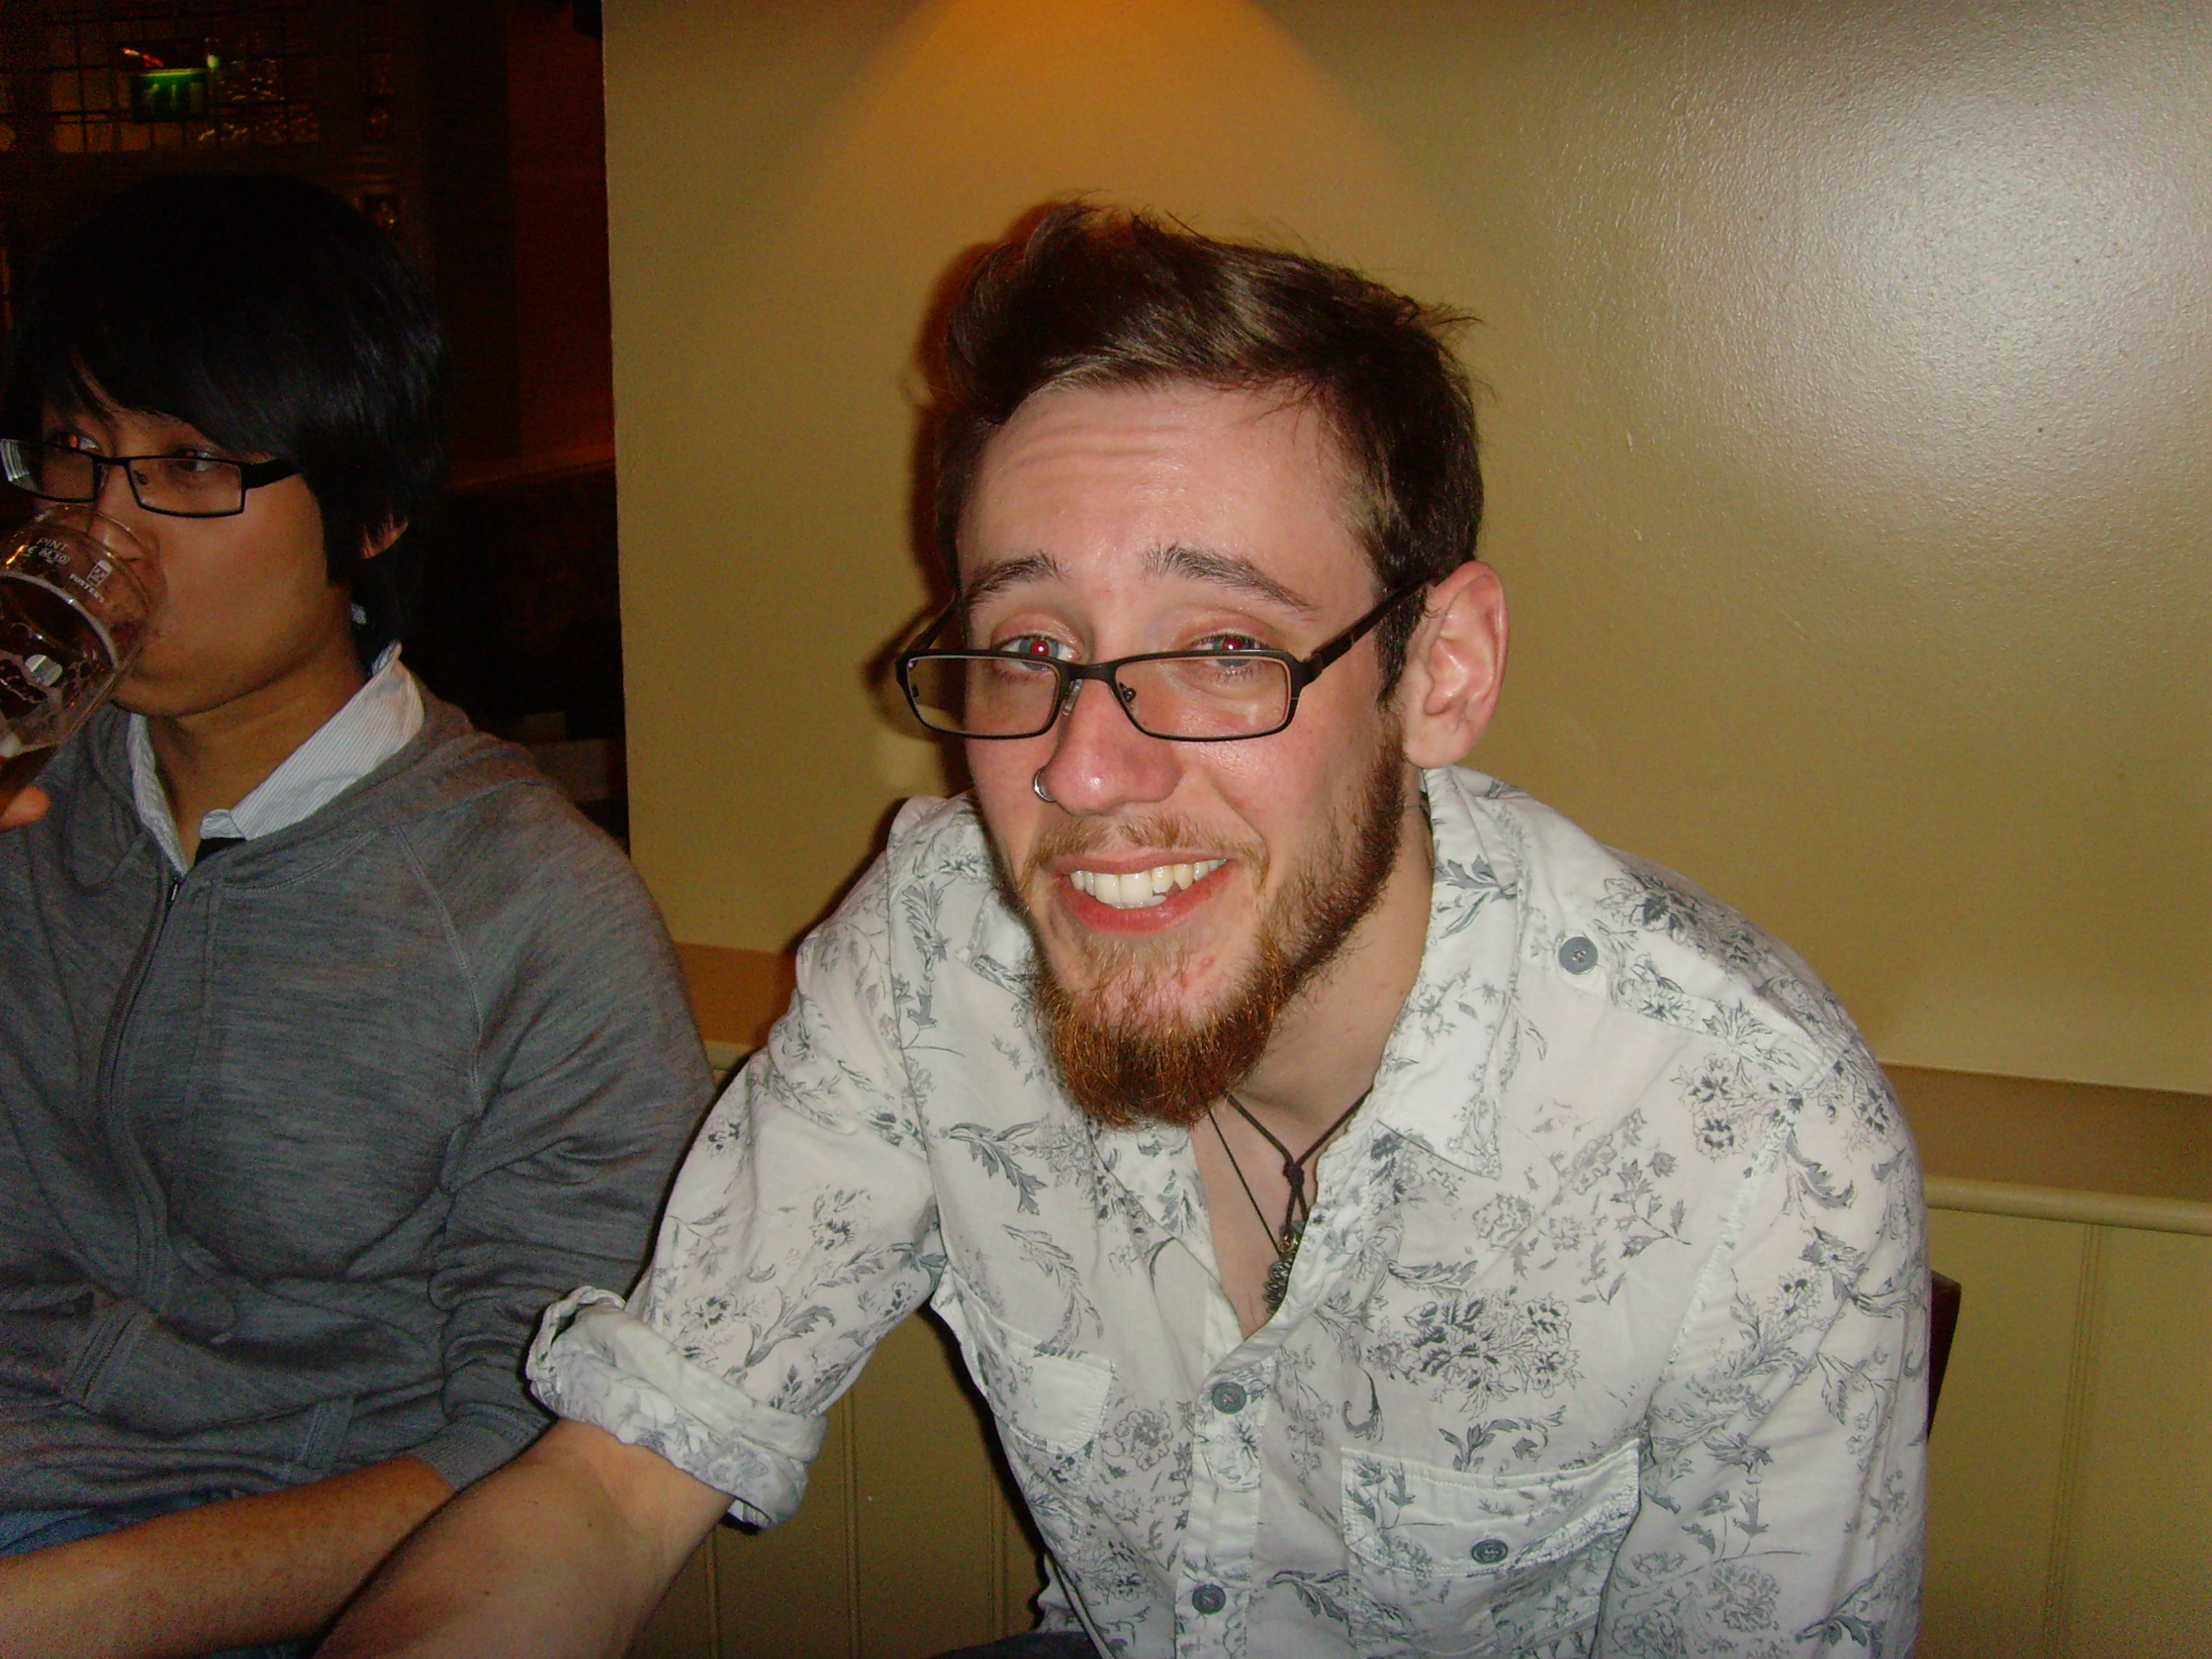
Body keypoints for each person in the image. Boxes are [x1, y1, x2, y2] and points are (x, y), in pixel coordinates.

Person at [322, 204, 1926, 1659]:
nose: (1083, 772)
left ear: (1438, 674)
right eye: (1030, 647)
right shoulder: (942, 945)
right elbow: (615, 1484)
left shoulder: (1748, 1130)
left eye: (1222, 647)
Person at [0, 173, 711, 1658]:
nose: (102, 531)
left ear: (374, 511)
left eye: (191, 464)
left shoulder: (535, 920)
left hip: (267, 1574)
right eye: (74, 452)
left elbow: (537, 1447)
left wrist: (70, 1611)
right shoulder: (35, 795)